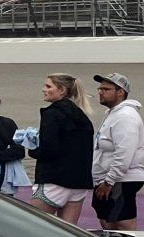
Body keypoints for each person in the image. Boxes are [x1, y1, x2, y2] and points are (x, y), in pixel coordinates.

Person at [30, 74, 96, 224]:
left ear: (62, 90)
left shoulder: (52, 114)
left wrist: (32, 149)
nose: (43, 90)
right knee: (68, 232)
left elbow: (49, 149)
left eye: (48, 86)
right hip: (79, 184)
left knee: (32, 226)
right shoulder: (82, 117)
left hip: (54, 180)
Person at [91, 72, 144, 232]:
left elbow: (124, 153)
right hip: (109, 179)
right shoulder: (113, 114)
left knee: (122, 225)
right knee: (108, 223)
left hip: (120, 180)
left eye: (106, 89)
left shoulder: (125, 117)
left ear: (120, 92)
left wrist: (109, 181)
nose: (100, 92)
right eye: (100, 88)